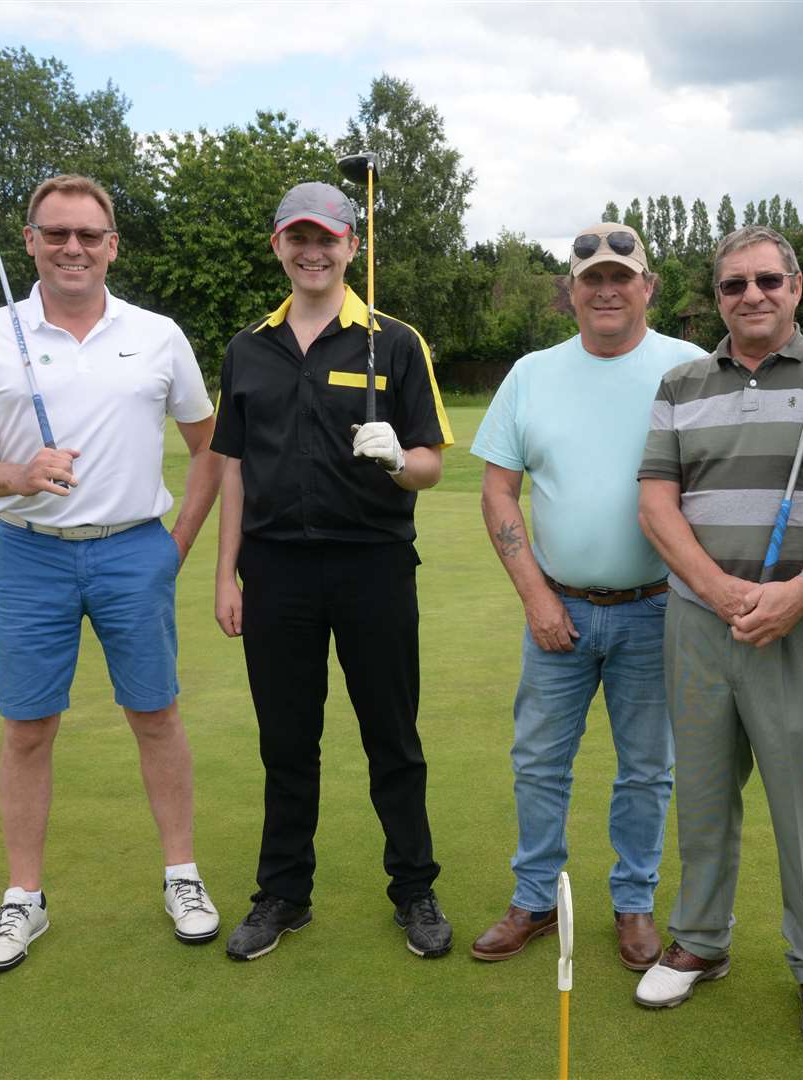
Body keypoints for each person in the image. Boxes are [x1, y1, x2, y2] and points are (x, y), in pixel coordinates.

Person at [0, 174, 223, 972]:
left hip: (135, 547)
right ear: (29, 240)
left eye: (88, 235)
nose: (73, 247)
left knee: (157, 716)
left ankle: (183, 876)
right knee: (28, 729)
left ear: (111, 246)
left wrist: (176, 547)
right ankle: (23, 899)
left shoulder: (158, 333)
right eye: (56, 233)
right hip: (30, 553)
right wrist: (19, 475)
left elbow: (210, 447)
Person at [634, 225, 803, 1050]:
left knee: (802, 804)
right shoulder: (679, 384)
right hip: (699, 626)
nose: (752, 296)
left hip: (799, 630)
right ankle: (700, 943)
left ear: (798, 286)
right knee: (703, 796)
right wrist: (719, 591)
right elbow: (658, 504)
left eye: (768, 281)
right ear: (717, 297)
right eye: (735, 284)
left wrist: (801, 590)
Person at [212, 180, 455, 961]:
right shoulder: (249, 347)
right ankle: (283, 893)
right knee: (287, 741)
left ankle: (414, 889)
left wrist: (398, 462)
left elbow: (430, 465)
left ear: (352, 245)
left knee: (393, 735)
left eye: (328, 237)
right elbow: (233, 470)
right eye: (298, 237)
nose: (313, 250)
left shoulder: (395, 341)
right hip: (276, 571)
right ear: (279, 246)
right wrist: (226, 576)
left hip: (373, 566)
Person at [468, 224, 702, 970]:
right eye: (591, 278)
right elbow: (500, 489)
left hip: (657, 606)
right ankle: (533, 899)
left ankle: (634, 904)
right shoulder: (532, 373)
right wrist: (535, 595)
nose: (606, 290)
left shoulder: (690, 368)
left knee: (647, 768)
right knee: (539, 761)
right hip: (557, 604)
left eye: (621, 277)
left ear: (648, 286)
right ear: (570, 290)